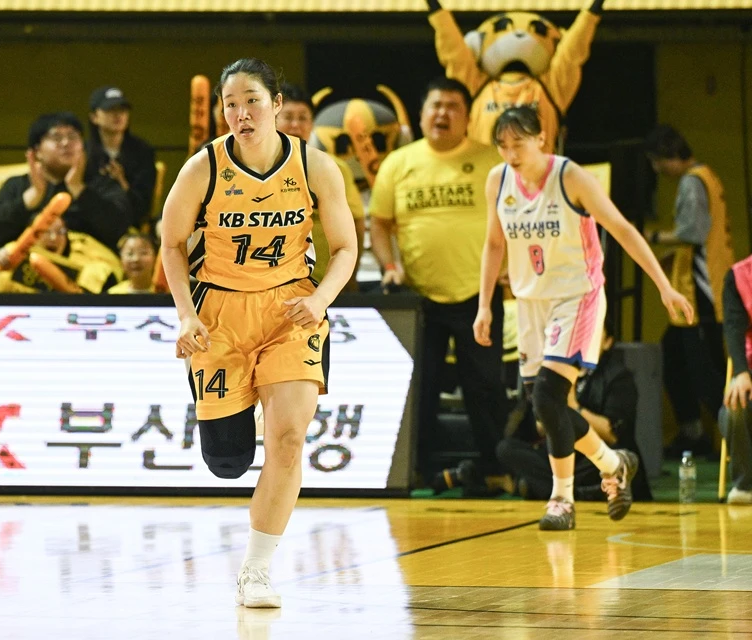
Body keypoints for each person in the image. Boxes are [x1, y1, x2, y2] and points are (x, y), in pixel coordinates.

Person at [160, 58, 357, 607]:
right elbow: (171, 244)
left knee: (289, 440)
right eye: (231, 104)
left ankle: (256, 570)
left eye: (251, 100)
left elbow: (346, 248)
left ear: (276, 104)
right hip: (219, 313)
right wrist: (185, 315)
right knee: (226, 462)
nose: (241, 113)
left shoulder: (314, 166)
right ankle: (243, 414)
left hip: (290, 310)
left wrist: (319, 299)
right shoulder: (203, 168)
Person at [474, 106, 693, 530]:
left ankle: (562, 499)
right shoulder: (497, 181)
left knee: (547, 397)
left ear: (541, 139)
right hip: (530, 302)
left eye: (518, 143)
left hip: (576, 297)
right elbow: (493, 244)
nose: (510, 154)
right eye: (502, 145)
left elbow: (622, 228)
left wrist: (664, 286)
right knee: (546, 410)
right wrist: (485, 305)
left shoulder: (569, 176)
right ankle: (614, 464)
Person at [370, 76, 509, 488]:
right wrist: (389, 265)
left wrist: (512, 264)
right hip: (419, 297)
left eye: (452, 106)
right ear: (422, 114)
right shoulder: (398, 163)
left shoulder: (492, 161)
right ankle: (417, 469)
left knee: (485, 388)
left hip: (478, 296)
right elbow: (380, 223)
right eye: (436, 105)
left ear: (467, 118)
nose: (443, 113)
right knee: (420, 388)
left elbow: (518, 213)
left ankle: (497, 469)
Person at [644, 125, 733, 458]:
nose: (657, 170)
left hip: (702, 294)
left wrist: (651, 238)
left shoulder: (692, 181)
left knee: (707, 372)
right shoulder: (707, 176)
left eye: (656, 161)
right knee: (674, 357)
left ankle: (737, 436)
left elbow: (693, 233)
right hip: (699, 290)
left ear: (667, 155)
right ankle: (693, 432)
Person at [497, 320, 653, 502]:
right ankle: (576, 492)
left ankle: (549, 488)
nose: (583, 341)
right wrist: (546, 412)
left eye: (592, 334)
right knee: (507, 449)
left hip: (598, 454)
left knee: (615, 456)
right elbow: (539, 429)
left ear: (607, 342)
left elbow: (611, 434)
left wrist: (572, 405)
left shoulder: (618, 377)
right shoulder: (555, 371)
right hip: (564, 453)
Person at [0, 111, 132, 254]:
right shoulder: (17, 185)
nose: (66, 143)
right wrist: (32, 197)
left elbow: (118, 230)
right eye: (56, 137)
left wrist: (79, 189)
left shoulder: (103, 184)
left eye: (73, 137)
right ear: (37, 151)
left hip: (89, 265)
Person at [276, 82, 365, 291]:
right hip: (275, 287)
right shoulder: (258, 169)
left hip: (327, 285)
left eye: (303, 118)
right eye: (288, 117)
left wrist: (350, 276)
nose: (296, 125)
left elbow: (356, 224)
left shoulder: (333, 168)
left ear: (312, 124)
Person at [86, 86, 157, 229]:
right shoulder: (83, 152)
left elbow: (144, 206)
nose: (118, 115)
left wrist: (122, 182)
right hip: (90, 227)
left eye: (122, 110)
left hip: (131, 226)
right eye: (110, 109)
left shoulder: (143, 152)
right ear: (94, 117)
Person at [719, 255, 752, 504]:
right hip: (749, 370)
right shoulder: (740, 275)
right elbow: (733, 327)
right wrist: (741, 373)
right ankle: (745, 486)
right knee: (736, 404)